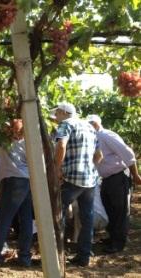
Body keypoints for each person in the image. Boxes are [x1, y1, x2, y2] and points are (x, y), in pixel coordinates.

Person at [52, 102, 102, 267]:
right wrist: (89, 167)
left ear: (63, 112)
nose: (55, 117)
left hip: (72, 179)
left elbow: (61, 145)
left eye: (57, 113)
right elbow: (99, 155)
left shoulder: (65, 124)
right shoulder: (89, 127)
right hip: (89, 180)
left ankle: (58, 255)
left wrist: (57, 168)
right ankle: (84, 257)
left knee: (58, 214)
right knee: (86, 219)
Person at [87, 114, 141, 253]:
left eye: (91, 124)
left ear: (96, 124)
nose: (88, 127)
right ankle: (112, 238)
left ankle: (118, 244)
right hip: (107, 179)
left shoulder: (106, 135)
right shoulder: (94, 138)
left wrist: (135, 174)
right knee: (109, 208)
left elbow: (128, 153)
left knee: (120, 210)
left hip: (118, 176)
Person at [0, 119, 35, 267]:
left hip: (12, 180)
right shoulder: (29, 139)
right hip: (26, 180)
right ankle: (25, 257)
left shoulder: (2, 137)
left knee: (3, 218)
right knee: (26, 219)